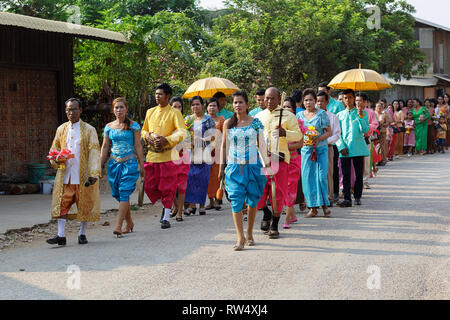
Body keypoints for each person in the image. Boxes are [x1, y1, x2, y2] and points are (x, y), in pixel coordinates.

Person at [46, 98, 101, 246]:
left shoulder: (89, 130)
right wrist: (56, 158)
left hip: (82, 175)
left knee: (84, 204)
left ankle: (82, 233)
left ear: (81, 110)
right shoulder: (61, 129)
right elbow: (54, 148)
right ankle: (61, 235)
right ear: (65, 111)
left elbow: (94, 151)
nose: (71, 112)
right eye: (68, 110)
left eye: (74, 109)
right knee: (62, 203)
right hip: (65, 174)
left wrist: (93, 173)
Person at [219, 91, 269, 250]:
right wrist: (222, 166)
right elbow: (224, 146)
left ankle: (249, 233)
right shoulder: (228, 123)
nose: (237, 105)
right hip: (234, 168)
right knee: (236, 201)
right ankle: (240, 238)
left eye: (240, 102)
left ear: (247, 104)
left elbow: (261, 144)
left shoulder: (255, 122)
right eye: (235, 102)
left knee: (253, 201)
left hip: (253, 166)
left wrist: (268, 163)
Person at [255, 87, 303, 239]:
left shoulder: (288, 116)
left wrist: (285, 133)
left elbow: (298, 134)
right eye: (266, 98)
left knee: (277, 193)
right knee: (259, 194)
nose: (268, 101)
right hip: (261, 159)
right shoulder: (258, 116)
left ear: (278, 99)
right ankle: (266, 213)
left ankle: (275, 223)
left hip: (280, 159)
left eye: (272, 99)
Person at [142, 83, 188, 229]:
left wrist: (166, 140)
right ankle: (166, 206)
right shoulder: (150, 112)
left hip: (168, 156)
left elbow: (182, 132)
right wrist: (148, 136)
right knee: (150, 186)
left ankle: (167, 215)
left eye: (160, 94)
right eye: (156, 94)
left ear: (167, 96)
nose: (157, 96)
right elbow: (143, 130)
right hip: (152, 156)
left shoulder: (174, 113)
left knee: (167, 188)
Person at [100, 98, 145, 237]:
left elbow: (138, 145)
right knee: (118, 195)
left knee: (124, 192)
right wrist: (99, 165)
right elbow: (105, 146)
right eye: (116, 107)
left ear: (126, 108)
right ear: (113, 110)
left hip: (129, 164)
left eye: (121, 107)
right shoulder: (109, 127)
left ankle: (118, 226)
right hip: (113, 164)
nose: (119, 110)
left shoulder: (133, 126)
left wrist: (142, 164)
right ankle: (129, 222)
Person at [298, 89, 332, 217]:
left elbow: (329, 132)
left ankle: (324, 205)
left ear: (315, 101)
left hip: (321, 149)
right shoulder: (299, 116)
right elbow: (297, 133)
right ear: (303, 101)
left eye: (311, 100)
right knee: (308, 178)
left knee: (321, 177)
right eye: (306, 100)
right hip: (306, 150)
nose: (308, 102)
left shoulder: (322, 114)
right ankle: (312, 207)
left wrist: (318, 139)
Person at [336, 89, 369, 207]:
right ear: (343, 100)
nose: (348, 100)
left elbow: (365, 130)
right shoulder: (339, 115)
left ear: (354, 98)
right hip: (345, 148)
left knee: (359, 174)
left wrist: (360, 117)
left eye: (350, 97)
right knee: (345, 174)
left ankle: (358, 196)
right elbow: (337, 133)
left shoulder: (362, 113)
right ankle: (347, 198)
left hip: (358, 148)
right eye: (345, 98)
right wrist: (340, 146)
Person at [184, 96, 216, 215]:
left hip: (204, 151)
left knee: (203, 179)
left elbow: (213, 135)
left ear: (202, 105)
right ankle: (192, 205)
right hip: (191, 152)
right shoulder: (187, 119)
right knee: (191, 178)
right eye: (193, 105)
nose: (195, 107)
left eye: (197, 104)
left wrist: (202, 139)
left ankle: (202, 205)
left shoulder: (208, 120)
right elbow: (184, 134)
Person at [281, 97, 303, 228]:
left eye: (288, 107)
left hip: (293, 160)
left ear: (293, 109)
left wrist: (284, 146)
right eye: (283, 107)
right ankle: (292, 215)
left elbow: (300, 143)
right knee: (282, 188)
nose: (285, 109)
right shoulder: (277, 123)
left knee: (290, 188)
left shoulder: (298, 123)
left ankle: (287, 219)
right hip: (280, 160)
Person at [317, 91, 341, 206]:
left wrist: (324, 141)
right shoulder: (312, 116)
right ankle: (317, 198)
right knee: (315, 173)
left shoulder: (333, 117)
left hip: (328, 148)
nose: (319, 104)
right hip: (313, 149)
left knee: (328, 172)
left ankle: (329, 197)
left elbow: (336, 134)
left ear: (327, 102)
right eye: (317, 101)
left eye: (322, 101)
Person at [170, 96, 190, 222]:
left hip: (183, 156)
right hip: (169, 157)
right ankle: (176, 206)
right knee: (170, 185)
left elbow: (188, 141)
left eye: (179, 106)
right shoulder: (167, 122)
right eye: (174, 106)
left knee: (181, 185)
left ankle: (180, 213)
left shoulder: (186, 122)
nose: (177, 109)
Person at [355, 92, 378, 190]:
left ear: (365, 102)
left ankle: (365, 181)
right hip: (354, 140)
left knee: (366, 160)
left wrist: (366, 129)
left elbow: (375, 124)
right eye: (356, 100)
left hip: (365, 139)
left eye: (360, 100)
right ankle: (355, 181)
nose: (358, 103)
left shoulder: (370, 112)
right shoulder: (352, 112)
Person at [206, 97, 225, 211]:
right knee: (208, 177)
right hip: (206, 151)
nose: (212, 108)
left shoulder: (221, 120)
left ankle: (218, 199)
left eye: (214, 106)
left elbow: (225, 135)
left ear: (218, 108)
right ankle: (211, 200)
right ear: (207, 107)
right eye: (210, 106)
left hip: (218, 151)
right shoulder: (203, 120)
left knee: (218, 175)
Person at [375, 101, 391, 165]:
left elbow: (388, 122)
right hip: (374, 132)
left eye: (380, 106)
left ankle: (383, 159)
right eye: (377, 106)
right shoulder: (374, 114)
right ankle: (376, 160)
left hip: (382, 132)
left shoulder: (384, 114)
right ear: (375, 108)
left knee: (382, 146)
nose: (379, 107)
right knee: (375, 147)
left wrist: (383, 124)